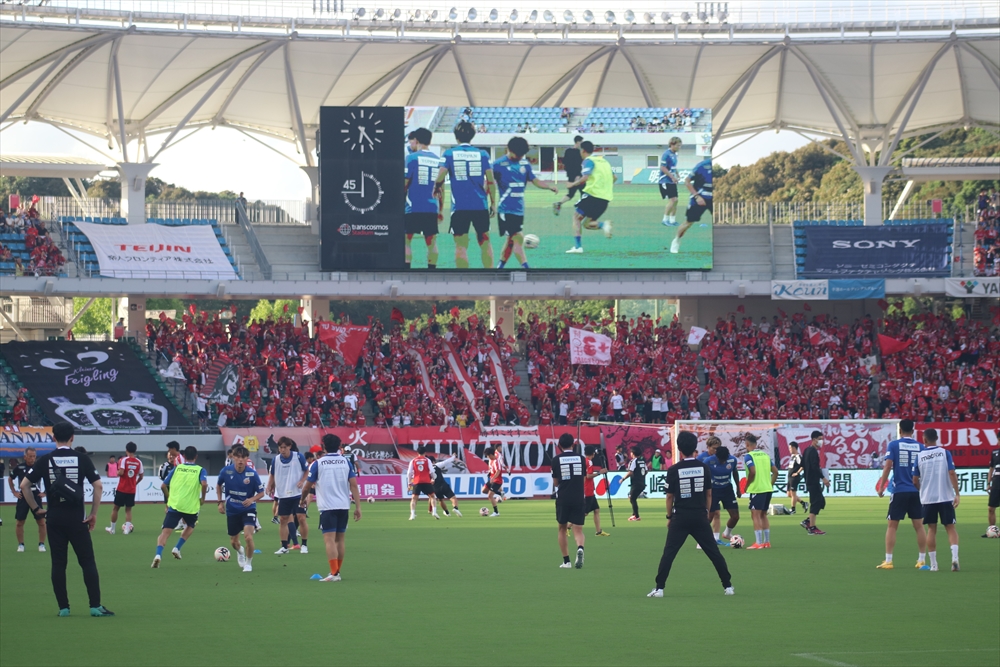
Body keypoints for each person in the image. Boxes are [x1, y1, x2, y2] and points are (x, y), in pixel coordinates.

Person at [20, 422, 113, 616]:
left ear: (54, 437)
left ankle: (64, 608)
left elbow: (24, 486)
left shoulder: (45, 460)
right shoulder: (82, 459)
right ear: (72, 437)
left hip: (54, 519)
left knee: (58, 563)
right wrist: (93, 514)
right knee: (87, 561)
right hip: (77, 519)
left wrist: (37, 508)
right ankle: (95, 606)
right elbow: (98, 486)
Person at [647, 431, 734, 598]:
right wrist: (706, 512)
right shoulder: (704, 468)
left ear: (679, 449)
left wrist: (669, 516)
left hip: (680, 516)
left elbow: (669, 496)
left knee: (669, 552)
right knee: (713, 552)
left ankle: (659, 588)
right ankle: (728, 585)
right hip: (700, 516)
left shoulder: (674, 469)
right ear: (695, 448)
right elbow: (709, 494)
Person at [435, 121, 496, 269]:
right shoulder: (482, 154)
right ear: (472, 136)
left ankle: (463, 279)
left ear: (456, 137)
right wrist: (493, 203)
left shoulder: (449, 154)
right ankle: (490, 277)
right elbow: (491, 180)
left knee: (461, 246)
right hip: (480, 205)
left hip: (460, 207)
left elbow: (440, 177)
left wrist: (436, 188)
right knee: (485, 241)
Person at [300, 434, 361, 582]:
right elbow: (353, 485)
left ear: (324, 447)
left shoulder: (318, 463)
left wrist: (302, 500)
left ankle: (334, 573)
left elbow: (307, 486)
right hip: (343, 506)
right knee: (340, 540)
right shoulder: (346, 462)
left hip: (327, 507)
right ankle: (337, 572)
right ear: (339, 446)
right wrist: (358, 507)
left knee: (329, 540)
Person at [493, 136, 558, 269]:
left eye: (522, 155)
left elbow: (534, 180)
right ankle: (526, 268)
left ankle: (500, 267)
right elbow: (488, 183)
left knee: (510, 241)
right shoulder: (498, 165)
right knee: (517, 238)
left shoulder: (525, 164)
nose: (519, 157)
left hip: (519, 209)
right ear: (508, 149)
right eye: (517, 154)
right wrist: (490, 202)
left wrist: (548, 186)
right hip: (506, 209)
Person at [876, 419, 927, 569]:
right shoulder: (921, 447)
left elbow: (887, 466)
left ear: (899, 431)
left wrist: (881, 487)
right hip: (916, 491)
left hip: (899, 490)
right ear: (913, 430)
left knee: (892, 526)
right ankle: (921, 559)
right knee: (919, 526)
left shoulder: (894, 445)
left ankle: (889, 560)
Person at [913, 428, 961, 572]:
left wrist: (921, 489)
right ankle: (955, 559)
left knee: (931, 529)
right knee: (950, 528)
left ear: (924, 440)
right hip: (945, 496)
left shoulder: (919, 456)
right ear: (937, 438)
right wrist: (957, 493)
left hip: (928, 498)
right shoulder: (944, 453)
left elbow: (915, 480)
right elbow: (951, 472)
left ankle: (934, 565)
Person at [152, 446, 207, 568]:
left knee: (165, 533)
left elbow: (163, 486)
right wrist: (203, 498)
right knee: (191, 526)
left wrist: (168, 499)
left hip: (175, 505)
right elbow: (204, 484)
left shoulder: (177, 468)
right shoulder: (200, 470)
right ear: (196, 457)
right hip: (190, 507)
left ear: (184, 457)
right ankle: (177, 548)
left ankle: (158, 555)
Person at [216, 444, 265, 573]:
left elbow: (261, 493)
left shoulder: (252, 474)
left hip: (248, 509)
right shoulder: (226, 471)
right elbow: (218, 485)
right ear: (233, 457)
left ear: (247, 458)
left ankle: (248, 563)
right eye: (238, 457)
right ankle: (240, 551)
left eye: (243, 457)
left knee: (248, 537)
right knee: (234, 542)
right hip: (232, 510)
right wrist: (220, 502)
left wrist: (252, 499)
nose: (240, 460)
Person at [564, 140, 615, 254]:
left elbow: (585, 177)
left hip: (593, 195)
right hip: (605, 198)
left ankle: (578, 247)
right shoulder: (604, 161)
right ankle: (603, 225)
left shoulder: (588, 161)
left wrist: (572, 184)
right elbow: (614, 178)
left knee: (576, 217)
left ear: (582, 151)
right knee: (587, 224)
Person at [404, 128, 444, 269]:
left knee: (406, 240)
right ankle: (431, 272)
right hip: (431, 207)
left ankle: (406, 271)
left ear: (416, 140)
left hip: (413, 206)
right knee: (431, 241)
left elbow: (405, 183)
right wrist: (440, 209)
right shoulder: (438, 160)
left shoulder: (411, 158)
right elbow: (441, 188)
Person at [266, 436, 310, 554]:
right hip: (283, 494)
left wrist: (302, 481)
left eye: (285, 447)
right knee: (283, 519)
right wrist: (269, 485)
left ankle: (304, 545)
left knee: (301, 518)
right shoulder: (276, 460)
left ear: (290, 447)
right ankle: (284, 546)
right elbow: (272, 474)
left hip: (298, 494)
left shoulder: (298, 457)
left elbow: (306, 470)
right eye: (280, 447)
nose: (282, 450)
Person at [552, 434, 586, 569]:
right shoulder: (581, 458)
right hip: (578, 497)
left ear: (560, 445)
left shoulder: (556, 460)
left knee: (562, 528)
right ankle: (580, 547)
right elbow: (583, 478)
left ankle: (566, 561)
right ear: (573, 444)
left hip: (563, 497)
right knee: (578, 530)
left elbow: (555, 482)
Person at [670, 157, 712, 254]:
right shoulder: (702, 166)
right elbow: (687, 181)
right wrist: (697, 196)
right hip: (700, 197)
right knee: (688, 222)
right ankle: (676, 240)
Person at [743, 434, 778, 549]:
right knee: (763, 514)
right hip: (768, 489)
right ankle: (767, 542)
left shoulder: (749, 456)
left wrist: (747, 486)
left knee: (755, 515)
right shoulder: (765, 455)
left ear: (747, 444)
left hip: (757, 489)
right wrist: (770, 484)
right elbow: (776, 472)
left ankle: (758, 542)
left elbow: (752, 472)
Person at [9, 447, 47, 552]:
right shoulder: (19, 467)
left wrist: (45, 492)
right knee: (20, 521)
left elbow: (48, 478)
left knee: (41, 521)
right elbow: (10, 478)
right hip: (23, 497)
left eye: (34, 456)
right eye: (30, 456)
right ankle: (21, 544)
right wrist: (14, 492)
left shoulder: (39, 467)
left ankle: (41, 544)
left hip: (36, 496)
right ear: (25, 457)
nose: (32, 458)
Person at [707, 444, 741, 546]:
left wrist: (738, 488)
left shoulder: (732, 460)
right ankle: (702, 539)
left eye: (724, 459)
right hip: (713, 490)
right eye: (720, 460)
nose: (722, 462)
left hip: (727, 489)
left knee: (735, 516)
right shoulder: (708, 461)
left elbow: (735, 472)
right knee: (709, 517)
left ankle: (727, 533)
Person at [106, 441, 143, 535]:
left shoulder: (123, 460)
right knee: (128, 509)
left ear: (126, 450)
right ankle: (126, 530)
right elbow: (141, 476)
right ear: (135, 450)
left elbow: (121, 472)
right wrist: (135, 483)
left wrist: (117, 473)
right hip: (131, 490)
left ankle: (112, 529)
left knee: (115, 508)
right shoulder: (139, 462)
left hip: (122, 488)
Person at [800, 431, 829, 536]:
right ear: (814, 439)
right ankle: (812, 527)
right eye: (820, 438)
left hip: (810, 480)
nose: (821, 441)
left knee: (821, 502)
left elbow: (803, 464)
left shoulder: (807, 450)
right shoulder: (812, 452)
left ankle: (808, 521)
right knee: (816, 502)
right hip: (813, 480)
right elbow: (814, 467)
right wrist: (823, 478)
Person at [553, 135, 584, 216]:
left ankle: (559, 203)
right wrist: (577, 175)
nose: (582, 143)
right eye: (581, 142)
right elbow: (577, 165)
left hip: (570, 176)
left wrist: (570, 175)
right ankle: (581, 207)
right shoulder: (578, 153)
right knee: (584, 192)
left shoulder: (568, 151)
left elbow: (565, 163)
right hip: (577, 176)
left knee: (571, 194)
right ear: (578, 142)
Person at [407, 445, 440, 520]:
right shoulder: (427, 460)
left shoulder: (413, 461)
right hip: (426, 481)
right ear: (425, 452)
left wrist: (409, 484)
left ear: (417, 452)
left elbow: (409, 473)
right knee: (432, 496)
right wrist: (433, 478)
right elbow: (432, 471)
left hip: (417, 481)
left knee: (414, 499)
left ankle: (412, 514)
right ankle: (434, 512)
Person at [583, 446, 610, 537]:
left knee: (596, 510)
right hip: (588, 489)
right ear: (593, 454)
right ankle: (568, 526)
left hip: (588, 489)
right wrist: (599, 472)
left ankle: (598, 531)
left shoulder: (584, 461)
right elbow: (588, 476)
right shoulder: (589, 462)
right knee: (584, 513)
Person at [659, 137, 682, 226]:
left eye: (680, 146)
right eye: (678, 145)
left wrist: (677, 174)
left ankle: (672, 220)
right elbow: (663, 167)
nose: (679, 147)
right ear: (672, 144)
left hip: (671, 180)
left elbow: (673, 167)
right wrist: (672, 177)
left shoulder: (674, 154)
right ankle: (665, 220)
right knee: (672, 199)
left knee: (676, 200)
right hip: (665, 180)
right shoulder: (666, 154)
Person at [622, 446, 648, 521]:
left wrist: (623, 479)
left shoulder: (633, 461)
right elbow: (646, 471)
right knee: (632, 498)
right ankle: (634, 514)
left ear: (632, 453)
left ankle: (636, 516)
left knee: (632, 498)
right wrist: (641, 476)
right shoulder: (642, 461)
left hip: (636, 483)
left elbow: (630, 472)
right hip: (642, 483)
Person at [483, 447, 505, 516]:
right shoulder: (490, 460)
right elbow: (491, 469)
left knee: (490, 495)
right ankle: (499, 494)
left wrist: (493, 478)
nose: (487, 457)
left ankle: (496, 512)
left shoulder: (497, 461)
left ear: (491, 454)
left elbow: (498, 471)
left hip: (497, 481)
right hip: (492, 479)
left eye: (488, 455)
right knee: (484, 490)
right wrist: (489, 472)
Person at [786, 442, 806, 514]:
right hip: (790, 477)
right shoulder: (792, 456)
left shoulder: (798, 457)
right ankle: (803, 503)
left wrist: (797, 473)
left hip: (794, 478)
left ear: (794, 448)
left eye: (790, 448)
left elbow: (803, 466)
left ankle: (793, 509)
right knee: (789, 494)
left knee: (793, 493)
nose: (789, 449)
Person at [985, 437, 999, 538]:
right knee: (991, 508)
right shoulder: (995, 452)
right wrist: (988, 483)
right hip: (996, 483)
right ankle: (992, 530)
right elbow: (991, 469)